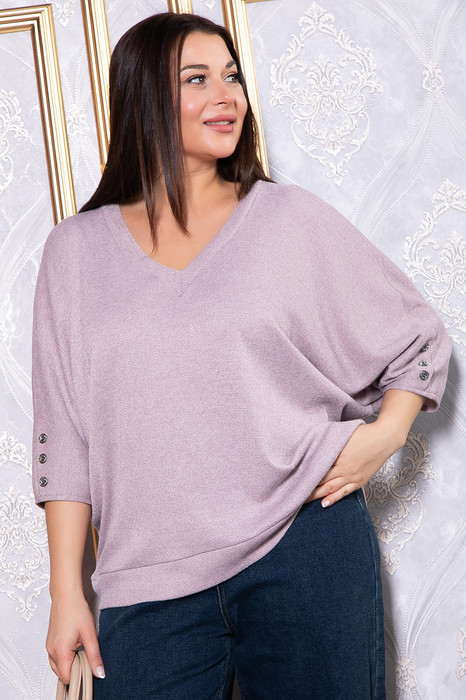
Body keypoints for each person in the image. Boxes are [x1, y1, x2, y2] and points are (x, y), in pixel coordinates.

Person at [32, 12, 451, 700]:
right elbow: (64, 434)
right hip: (147, 578)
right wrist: (65, 594)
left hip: (306, 548)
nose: (226, 95)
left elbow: (418, 338)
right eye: (196, 79)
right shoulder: (75, 253)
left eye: (231, 76)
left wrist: (386, 436)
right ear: (143, 96)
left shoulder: (288, 220)